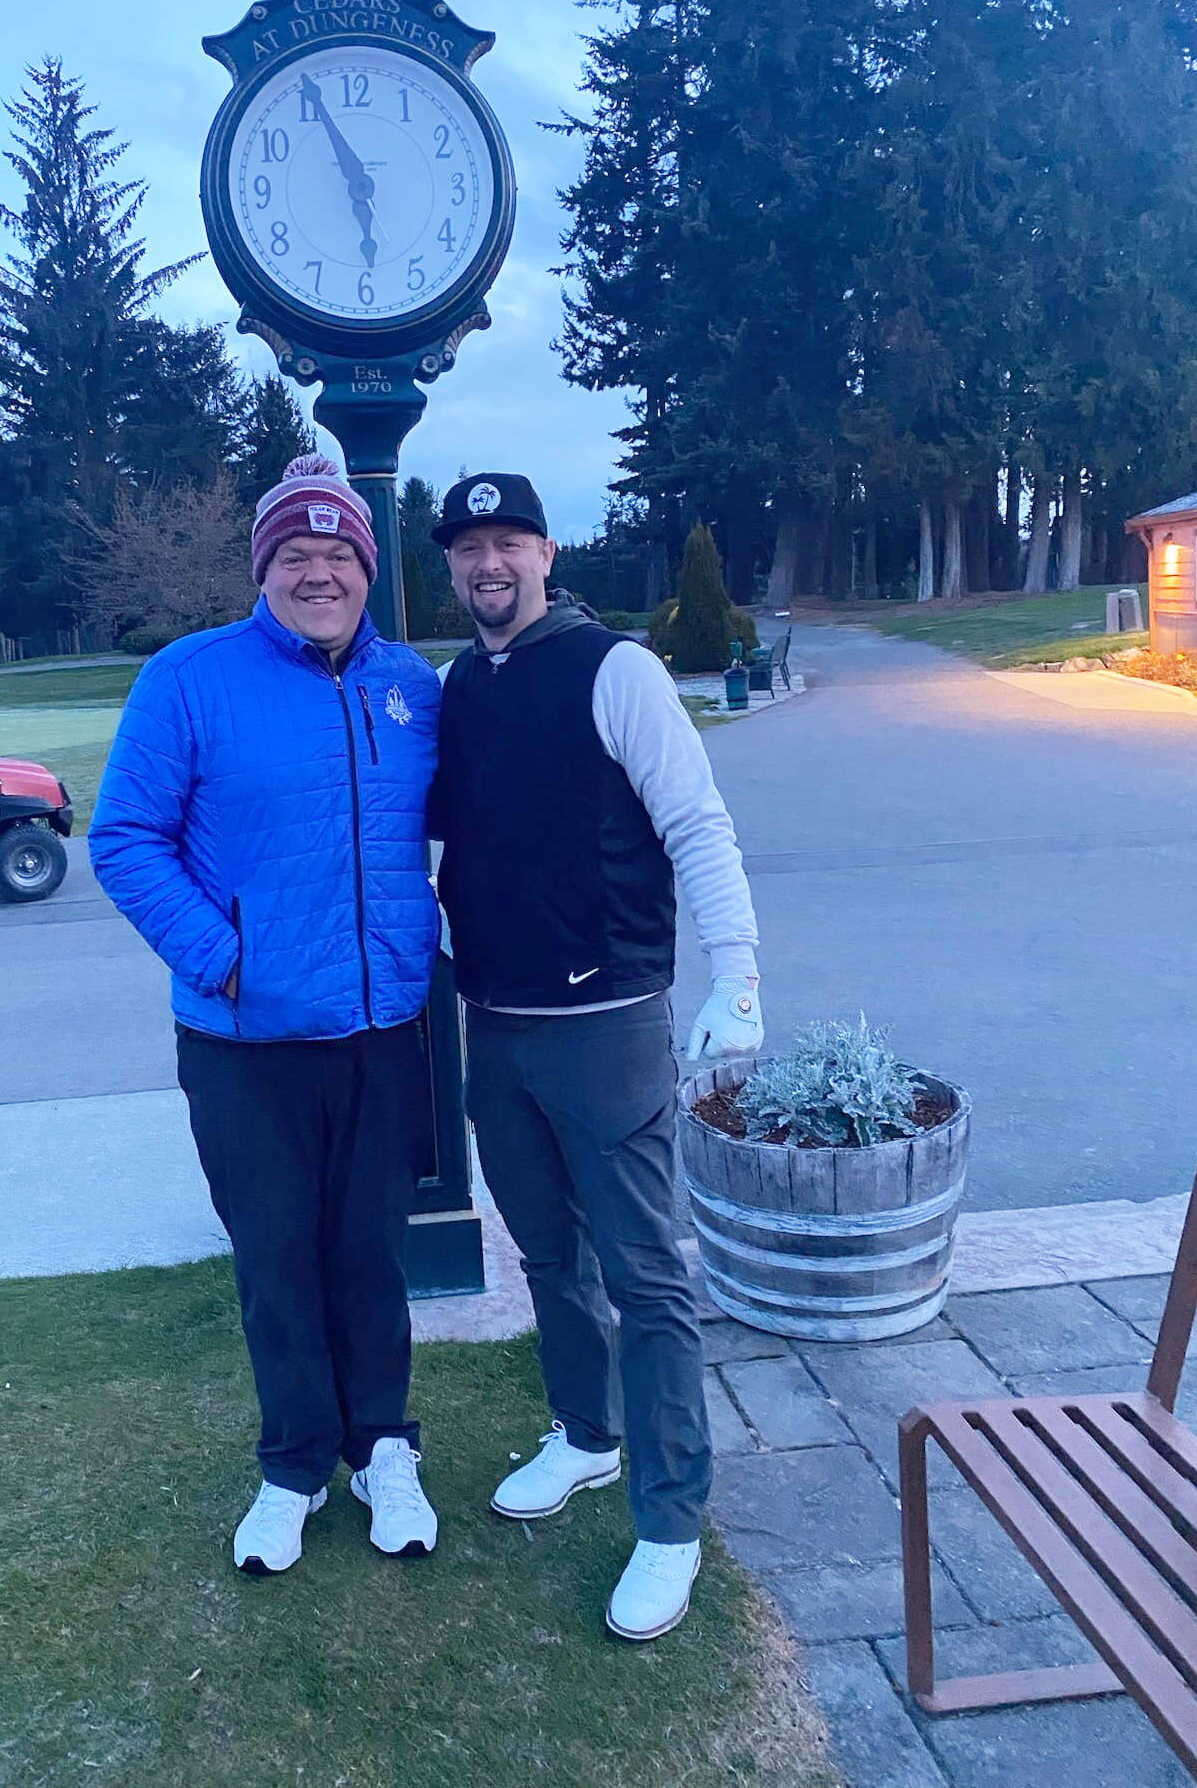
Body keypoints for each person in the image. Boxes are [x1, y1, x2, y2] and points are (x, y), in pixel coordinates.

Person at [90, 454, 442, 1577]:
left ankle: (384, 1441)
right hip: (247, 1044)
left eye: (340, 555)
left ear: (367, 570)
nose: (320, 572)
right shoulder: (190, 679)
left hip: (385, 1029)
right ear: (265, 570)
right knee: (277, 1258)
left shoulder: (411, 686)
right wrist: (223, 959)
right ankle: (294, 1459)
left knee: (370, 1254)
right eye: (297, 555)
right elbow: (123, 838)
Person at [429, 472, 764, 1642]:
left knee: (647, 1274)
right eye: (469, 545)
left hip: (609, 1024)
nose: (489, 563)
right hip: (497, 1022)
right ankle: (584, 1429)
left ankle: (669, 1521)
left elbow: (696, 823)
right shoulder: (459, 685)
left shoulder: (616, 669)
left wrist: (741, 978)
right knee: (545, 1250)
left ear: (545, 550)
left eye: (508, 540)